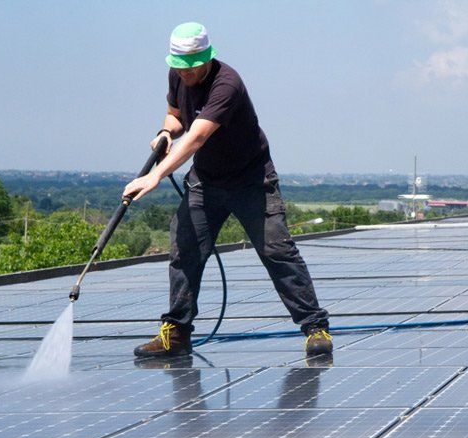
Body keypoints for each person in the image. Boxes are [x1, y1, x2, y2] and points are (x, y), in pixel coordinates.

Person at [124, 22, 331, 358]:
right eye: (180, 68)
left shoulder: (227, 83)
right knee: (184, 250)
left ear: (207, 58)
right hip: (206, 181)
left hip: (251, 181)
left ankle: (315, 327)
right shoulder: (177, 73)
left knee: (277, 251)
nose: (187, 76)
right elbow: (177, 116)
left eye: (193, 68)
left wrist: (156, 175)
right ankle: (176, 334)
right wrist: (165, 132)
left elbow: (197, 136)